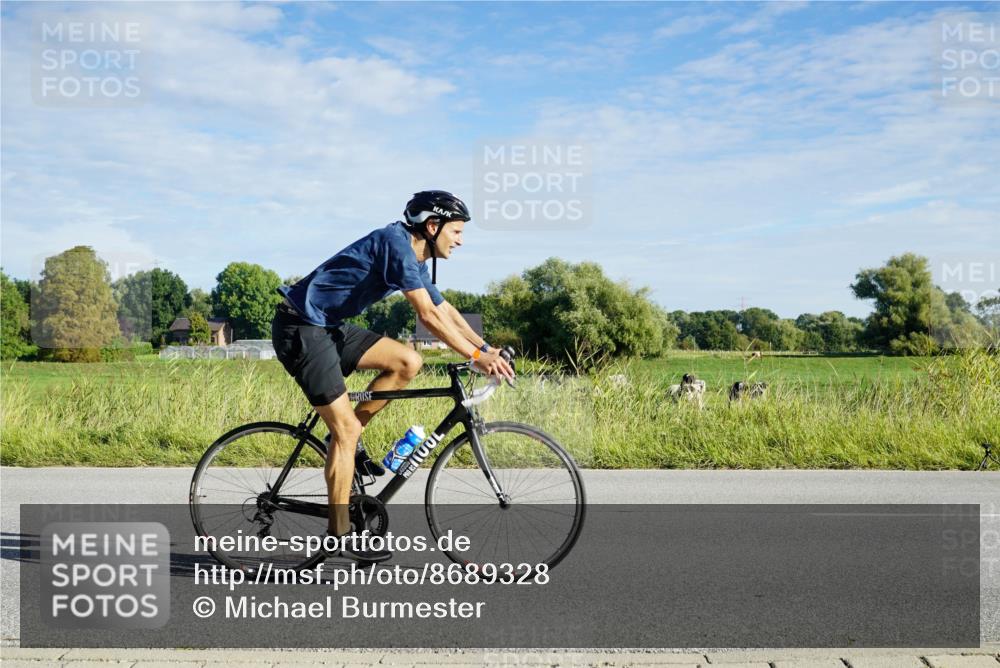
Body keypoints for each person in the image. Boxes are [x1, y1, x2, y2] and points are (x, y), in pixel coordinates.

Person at [271, 190, 515, 563]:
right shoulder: (395, 245)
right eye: (457, 231)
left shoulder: (413, 254)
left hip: (328, 328)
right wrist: (477, 357)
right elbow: (428, 319)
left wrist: (486, 347)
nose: (461, 240)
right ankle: (339, 532)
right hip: (300, 328)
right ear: (432, 227)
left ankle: (346, 438)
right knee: (346, 432)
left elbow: (442, 308)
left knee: (407, 362)